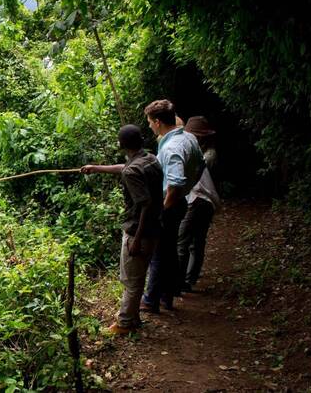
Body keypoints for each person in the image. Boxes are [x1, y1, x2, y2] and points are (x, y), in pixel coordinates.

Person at [81, 124, 163, 334]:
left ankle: (125, 323)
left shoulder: (132, 171)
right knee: (137, 276)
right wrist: (97, 168)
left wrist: (137, 237)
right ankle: (132, 318)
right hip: (154, 229)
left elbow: (144, 203)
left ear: (121, 145)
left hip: (139, 231)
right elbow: (126, 168)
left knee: (131, 280)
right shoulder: (150, 159)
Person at [141, 100, 204, 312]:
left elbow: (175, 185)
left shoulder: (171, 149)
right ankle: (165, 298)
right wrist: (189, 187)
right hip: (180, 203)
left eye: (150, 122)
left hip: (170, 205)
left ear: (158, 122)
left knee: (159, 253)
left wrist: (162, 209)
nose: (149, 126)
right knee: (169, 252)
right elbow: (200, 166)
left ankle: (150, 300)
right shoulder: (189, 137)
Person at [177, 116, 221, 292]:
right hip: (206, 200)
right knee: (196, 241)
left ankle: (181, 282)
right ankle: (189, 278)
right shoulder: (206, 153)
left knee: (184, 241)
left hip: (198, 200)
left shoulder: (207, 156)